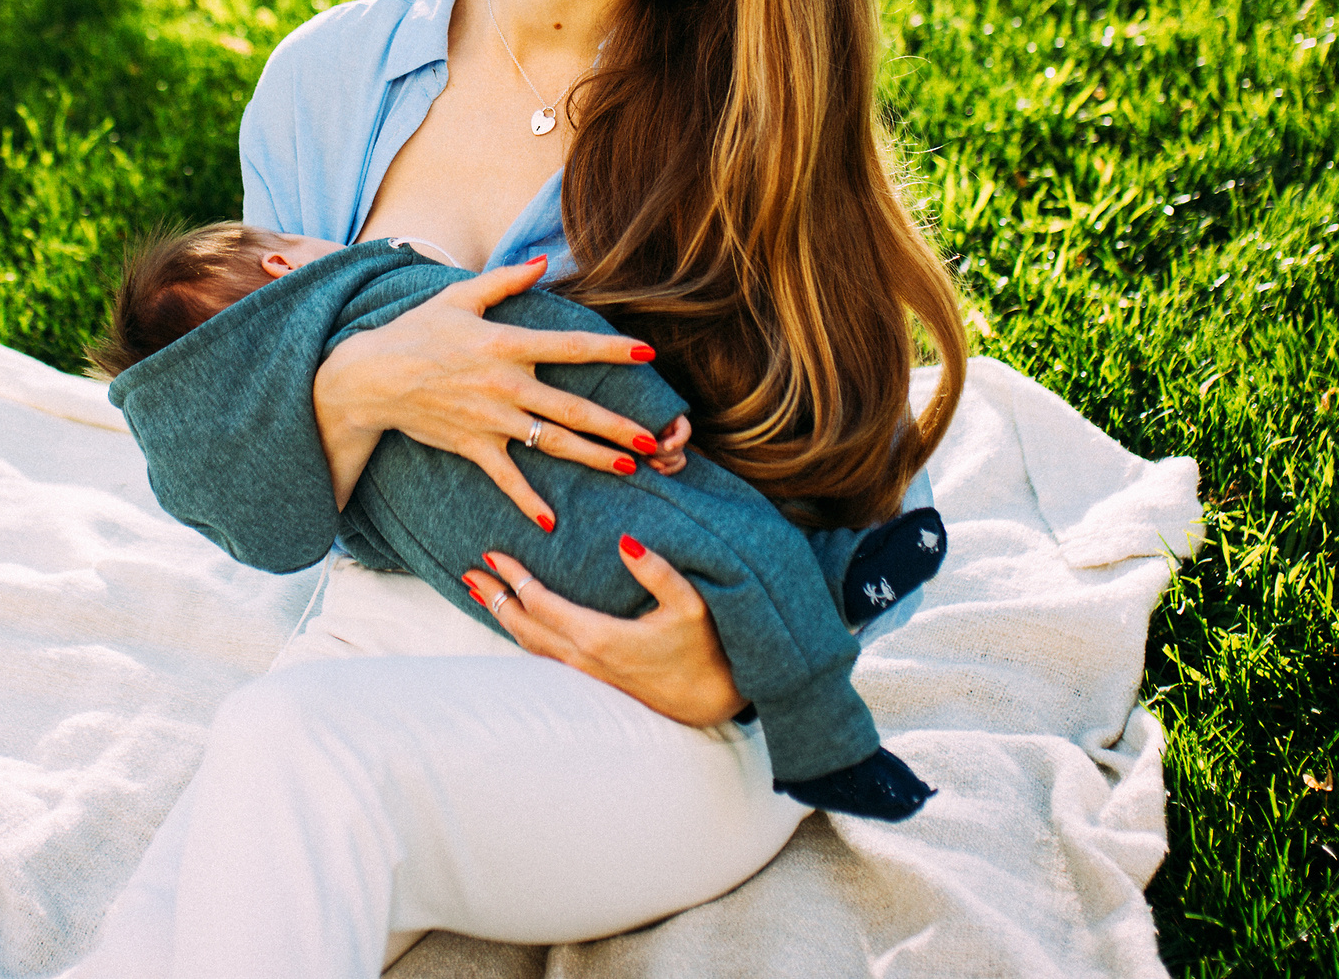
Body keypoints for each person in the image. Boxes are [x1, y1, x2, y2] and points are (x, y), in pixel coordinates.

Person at [72, 0, 967, 978]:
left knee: (291, 751)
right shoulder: (318, 85)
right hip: (388, 633)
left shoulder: (744, 133)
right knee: (152, 940)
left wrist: (725, 671)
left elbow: (857, 488)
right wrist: (369, 382)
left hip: (673, 707)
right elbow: (250, 508)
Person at [90, 222, 949, 815]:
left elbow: (358, 541)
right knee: (741, 547)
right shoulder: (387, 290)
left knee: (741, 571)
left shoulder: (301, 462)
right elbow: (553, 335)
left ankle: (832, 575)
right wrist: (648, 412)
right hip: (602, 504)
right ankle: (830, 745)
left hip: (519, 590)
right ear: (284, 270)